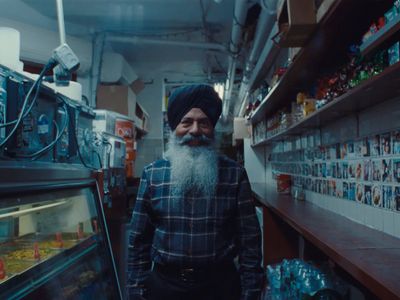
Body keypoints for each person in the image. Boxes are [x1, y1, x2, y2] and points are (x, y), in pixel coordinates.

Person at [126, 84, 264, 300]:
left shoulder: (234, 175)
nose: (195, 130)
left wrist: (251, 292)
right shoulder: (152, 175)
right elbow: (138, 241)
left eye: (204, 123)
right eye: (186, 122)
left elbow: (250, 242)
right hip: (165, 288)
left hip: (220, 287)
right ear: (174, 127)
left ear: (212, 128)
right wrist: (136, 291)